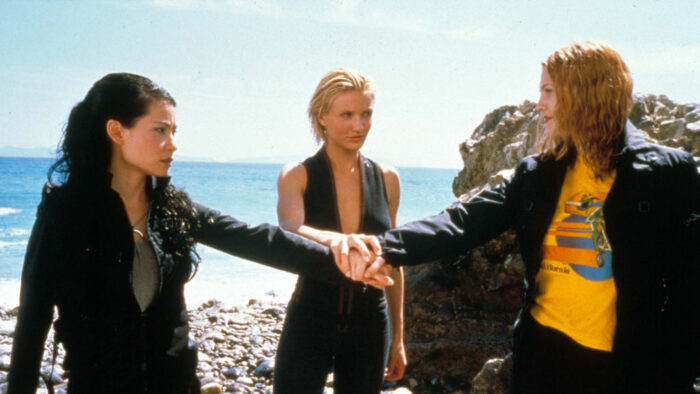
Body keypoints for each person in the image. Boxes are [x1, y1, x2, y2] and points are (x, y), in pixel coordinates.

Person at [345, 42, 700, 393]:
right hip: (545, 356)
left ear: (585, 94)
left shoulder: (665, 172)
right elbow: (462, 221)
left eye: (549, 91)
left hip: (628, 366)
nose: (540, 105)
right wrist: (380, 246)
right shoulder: (537, 173)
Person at [7, 73, 392, 394]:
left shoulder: (173, 207)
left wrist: (346, 260)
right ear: (116, 131)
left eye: (174, 131)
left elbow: (258, 240)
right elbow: (34, 319)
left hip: (176, 384)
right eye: (160, 130)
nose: (173, 144)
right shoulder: (66, 212)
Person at [272, 69, 406, 393]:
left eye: (366, 114)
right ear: (322, 117)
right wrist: (343, 242)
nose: (358, 126)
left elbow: (395, 261)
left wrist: (399, 337)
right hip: (310, 318)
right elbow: (291, 228)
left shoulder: (387, 178)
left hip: (370, 323)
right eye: (346, 114)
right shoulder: (297, 175)